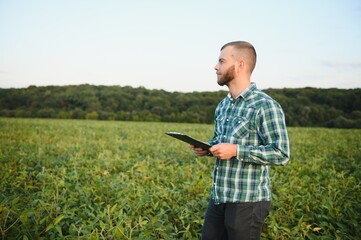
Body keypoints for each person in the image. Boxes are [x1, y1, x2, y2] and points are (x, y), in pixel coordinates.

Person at [190, 41, 290, 240]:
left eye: (222, 61)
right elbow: (221, 141)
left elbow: (281, 153)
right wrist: (208, 149)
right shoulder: (223, 106)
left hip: (247, 202)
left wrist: (236, 150)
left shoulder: (265, 105)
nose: (216, 67)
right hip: (218, 197)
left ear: (241, 65)